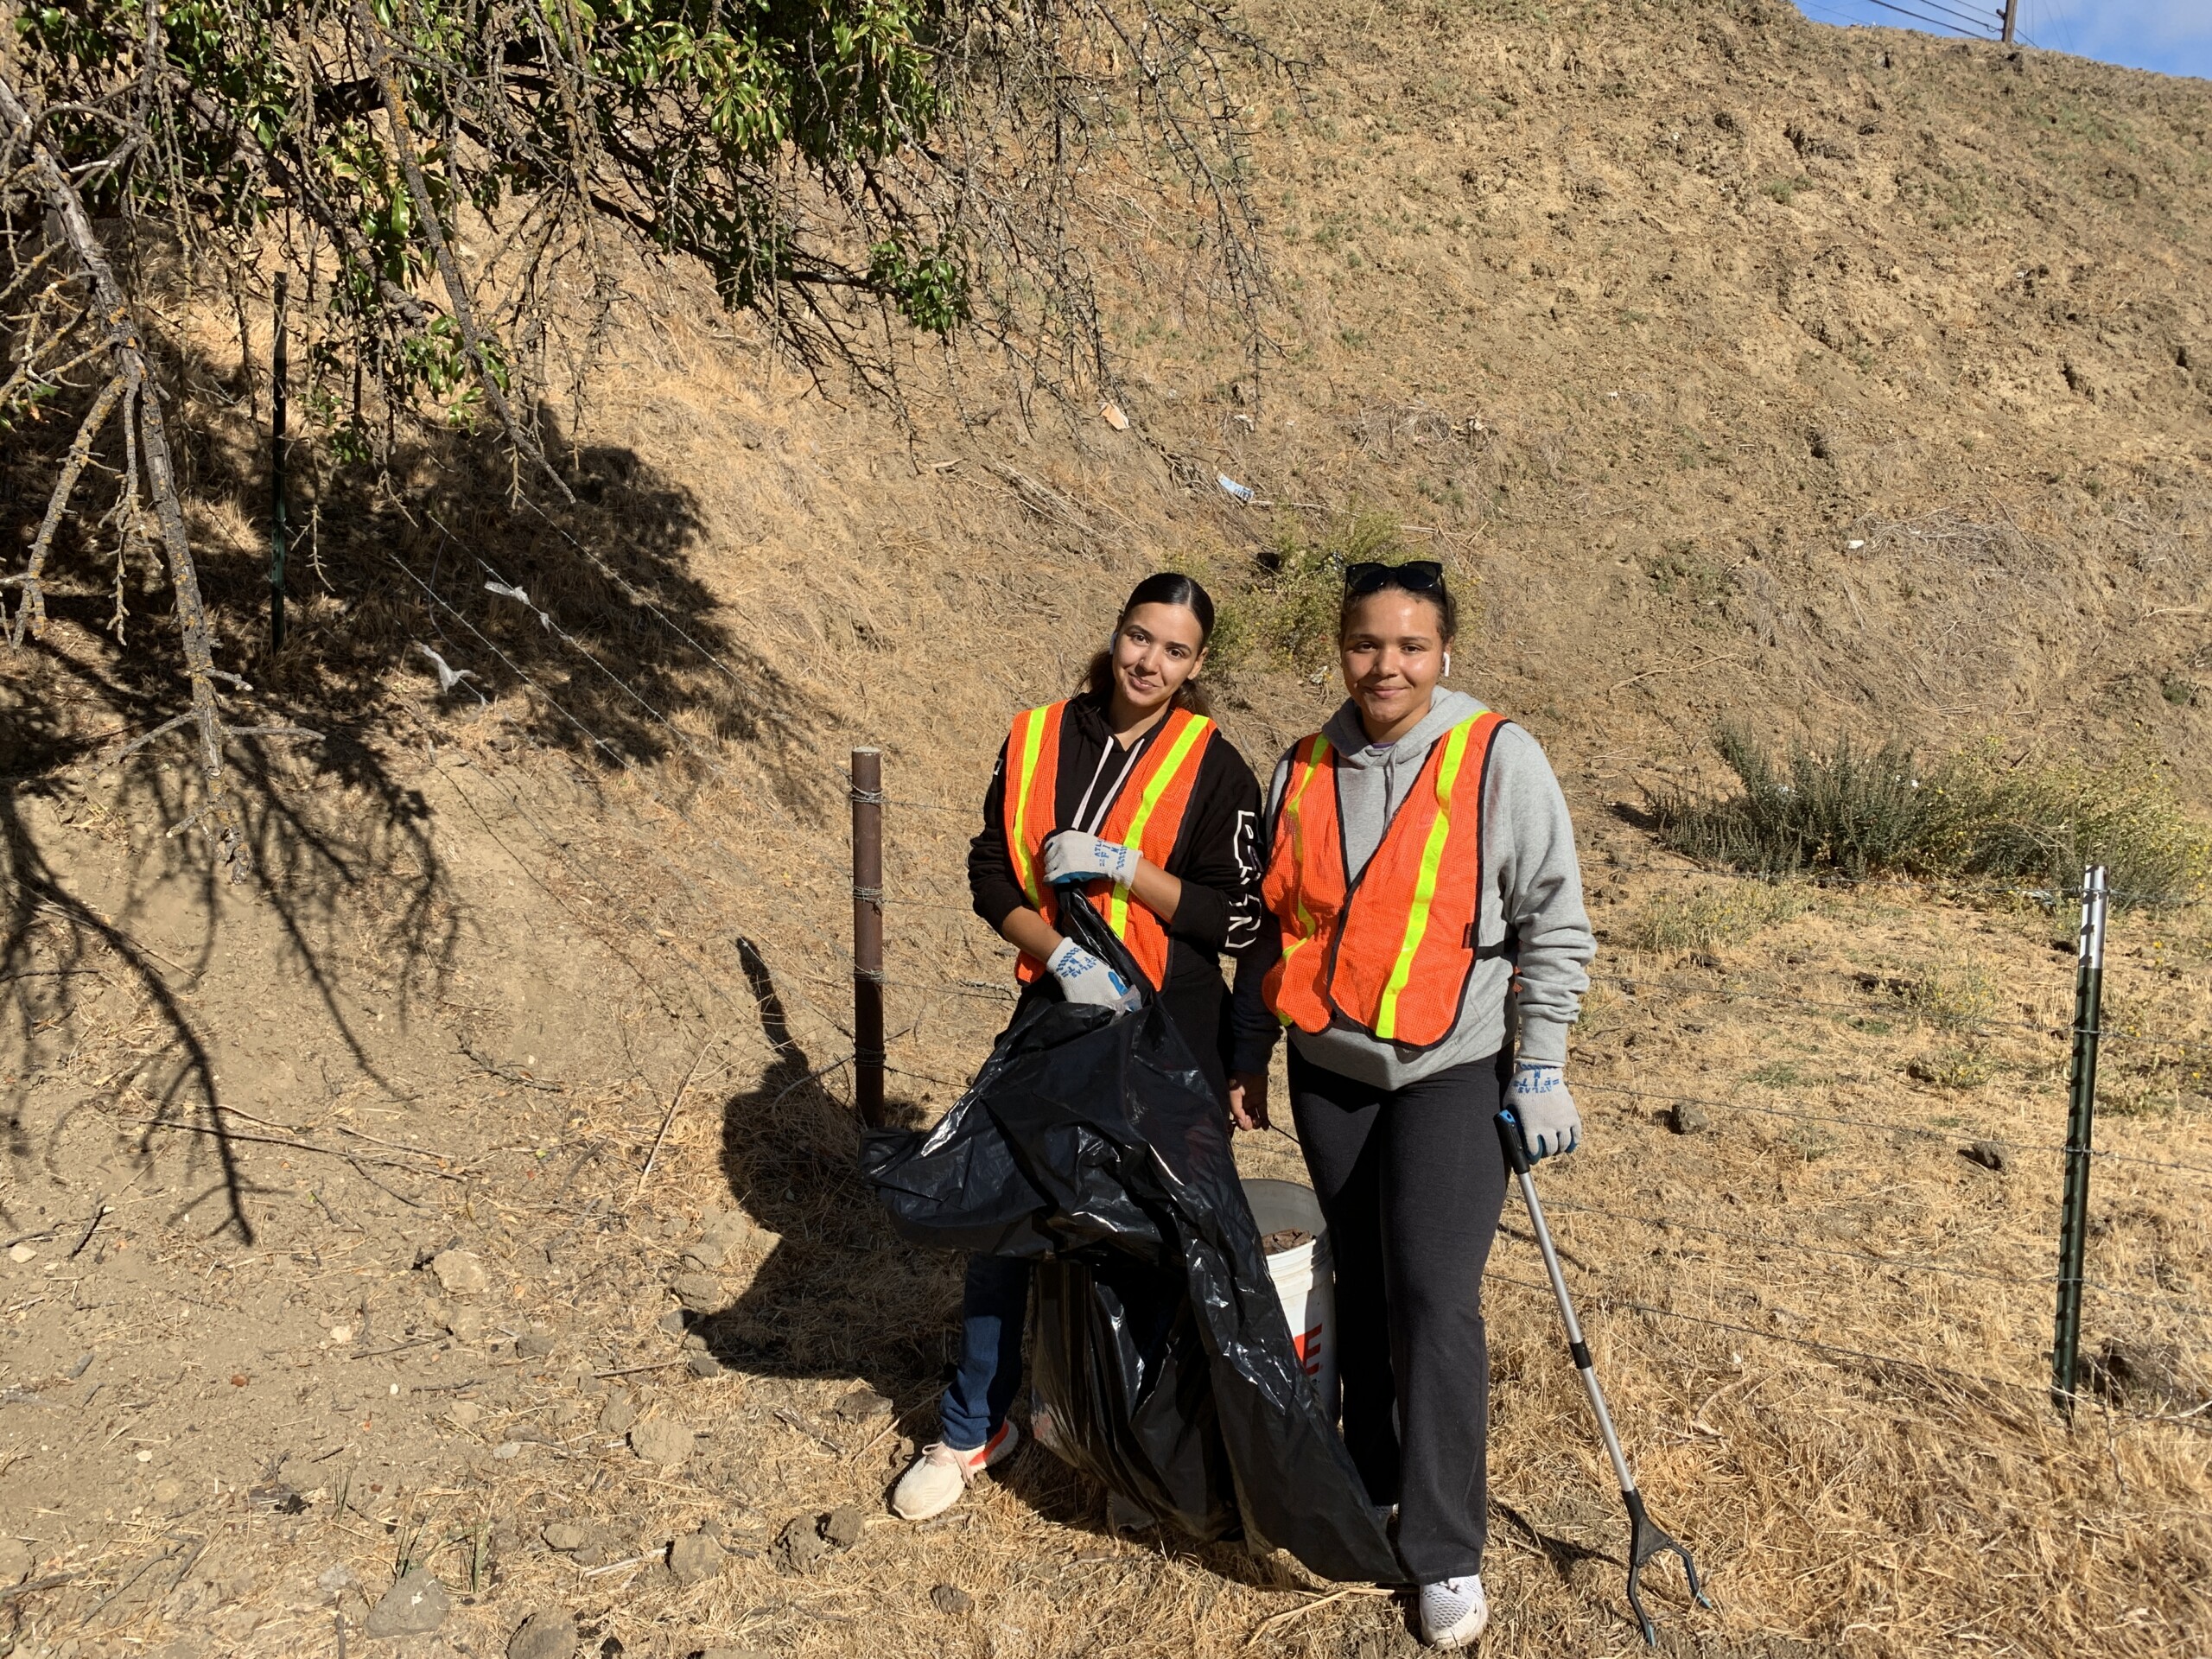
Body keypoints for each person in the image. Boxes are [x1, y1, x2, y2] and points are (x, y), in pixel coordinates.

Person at [1226, 558, 1593, 1650]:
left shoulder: (1497, 758)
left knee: (1435, 1297)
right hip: (1329, 1071)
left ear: (1443, 655)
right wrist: (1252, 1046)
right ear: (1340, 648)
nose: (1385, 665)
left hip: (1453, 1065)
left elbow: (1552, 920)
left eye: (1410, 646)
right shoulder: (1300, 766)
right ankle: (1372, 1487)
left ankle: (1443, 1550)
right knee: (1366, 1288)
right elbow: (1269, 927)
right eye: (1365, 643)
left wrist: (1540, 1063)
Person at [890, 571, 1263, 1522]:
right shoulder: (1037, 736)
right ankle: (974, 1428)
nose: (1151, 662)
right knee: (1002, 1221)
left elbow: (1233, 919)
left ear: (1198, 664)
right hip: (1059, 1013)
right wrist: (1057, 953)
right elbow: (988, 873)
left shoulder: (1215, 767)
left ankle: (1138, 1455)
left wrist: (1129, 872)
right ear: (1116, 633)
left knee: (1151, 1246)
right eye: (1141, 638)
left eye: (1175, 651)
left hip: (1169, 1035)